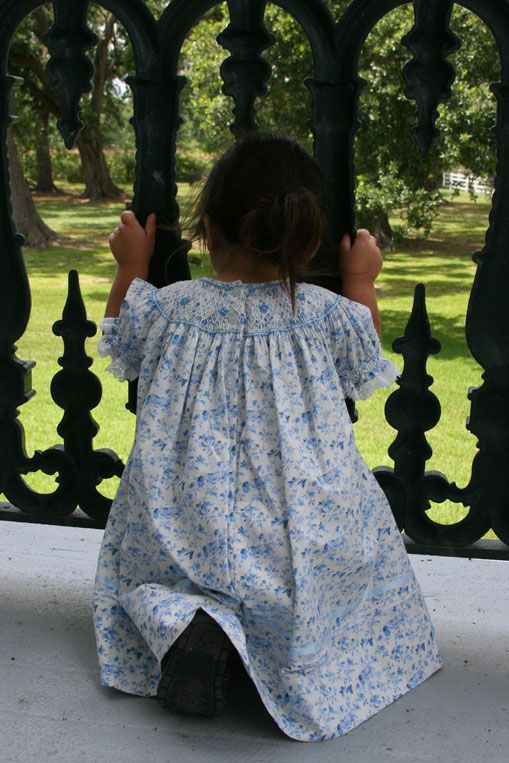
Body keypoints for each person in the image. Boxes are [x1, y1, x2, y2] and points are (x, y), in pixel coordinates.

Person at [93, 132, 442, 742]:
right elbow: (364, 367)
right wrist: (360, 277)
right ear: (307, 235)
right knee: (346, 557)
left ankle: (189, 622)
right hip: (296, 537)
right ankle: (281, 641)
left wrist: (132, 266)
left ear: (206, 227)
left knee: (152, 574)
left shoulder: (172, 309)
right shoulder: (324, 315)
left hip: (186, 527)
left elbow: (119, 343)